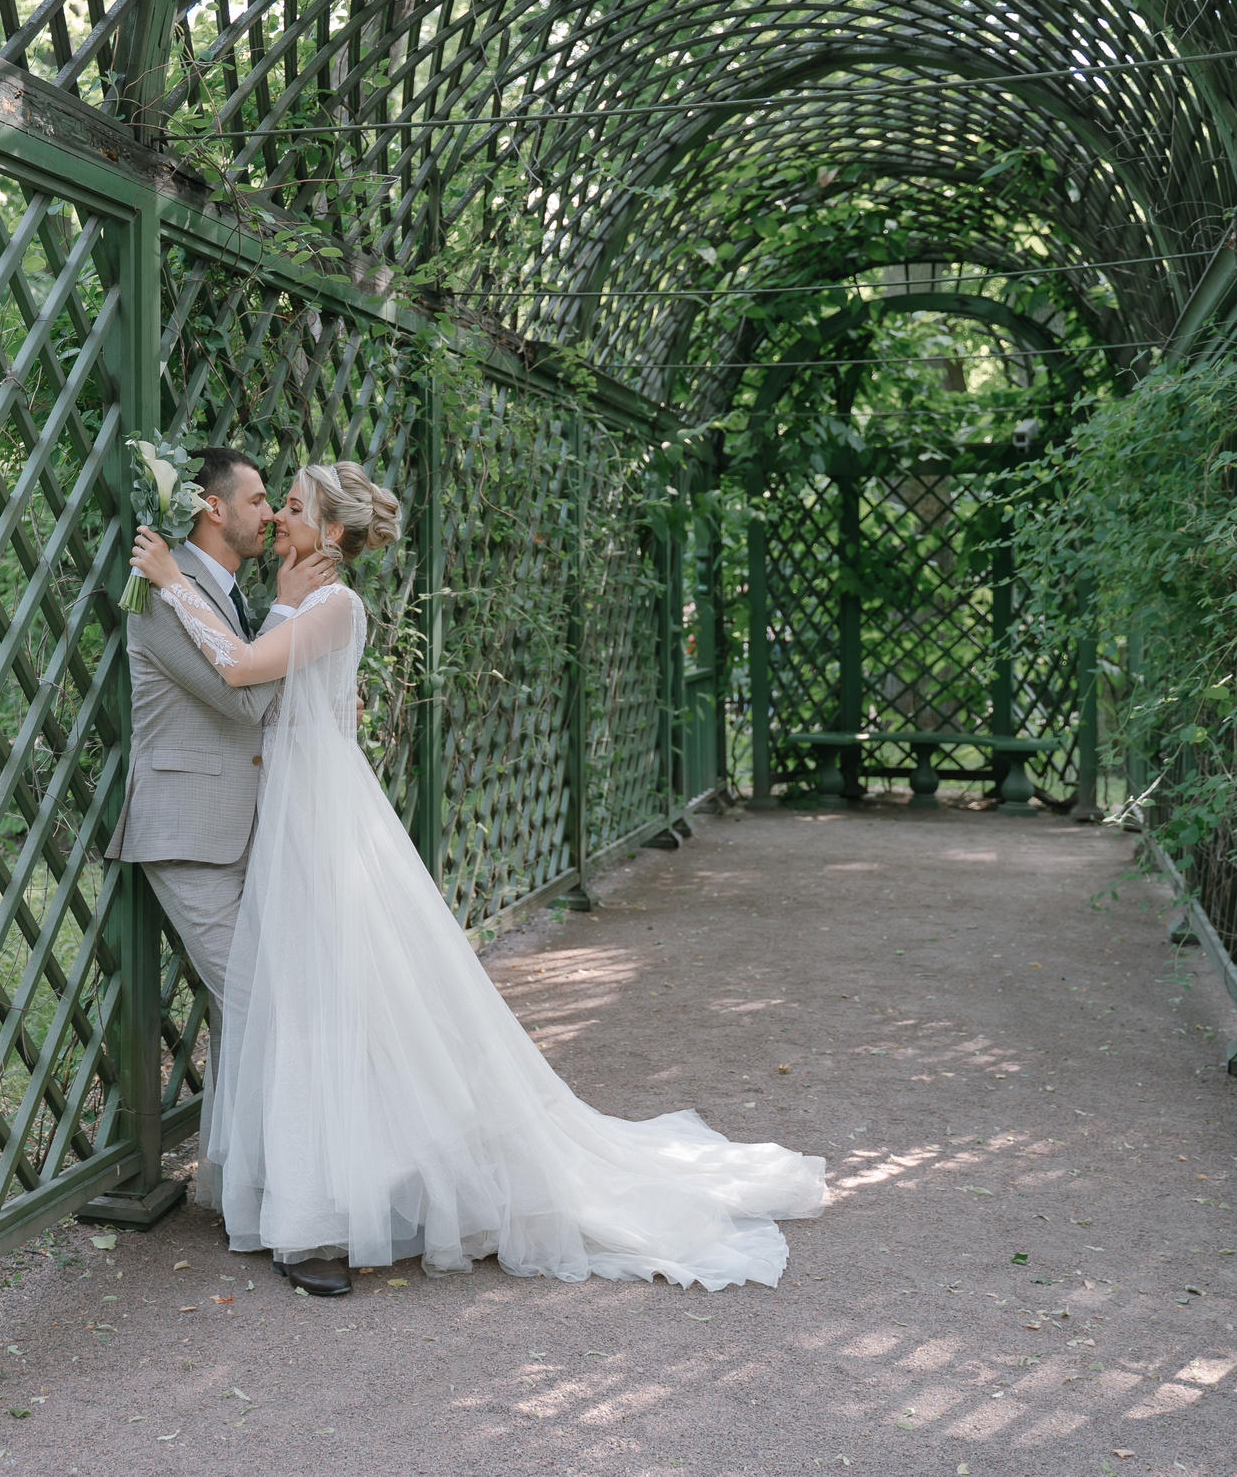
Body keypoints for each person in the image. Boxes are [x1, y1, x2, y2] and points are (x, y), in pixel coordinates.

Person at [127, 460, 829, 1294]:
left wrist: (174, 580)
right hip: (292, 817)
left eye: (293, 504)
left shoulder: (331, 602)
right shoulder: (303, 599)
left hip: (315, 816)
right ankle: (323, 1186)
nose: (279, 514)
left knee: (318, 1004)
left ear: (334, 530)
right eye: (271, 502)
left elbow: (246, 673)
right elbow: (286, 692)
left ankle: (326, 1204)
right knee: (309, 1000)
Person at [101, 447, 341, 1291]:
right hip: (190, 834)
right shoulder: (161, 592)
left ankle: (247, 1188)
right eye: (259, 498)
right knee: (264, 1006)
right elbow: (246, 697)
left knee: (264, 1007)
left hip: (252, 831)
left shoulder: (224, 589)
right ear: (210, 506)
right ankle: (297, 1224)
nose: (271, 513)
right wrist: (287, 610)